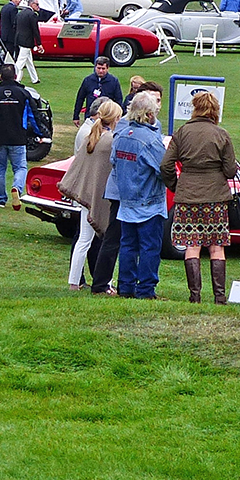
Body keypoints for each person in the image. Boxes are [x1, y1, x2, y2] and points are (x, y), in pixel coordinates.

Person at [161, 91, 237, 303]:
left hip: (188, 197)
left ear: (195, 108)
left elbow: (165, 165)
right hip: (216, 197)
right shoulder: (221, 134)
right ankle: (219, 297)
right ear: (215, 110)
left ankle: (195, 296)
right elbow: (231, 170)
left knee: (192, 245)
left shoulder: (182, 132)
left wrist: (176, 185)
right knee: (216, 246)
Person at [110, 91, 167, 299]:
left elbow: (114, 163)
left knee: (128, 246)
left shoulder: (121, 135)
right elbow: (164, 169)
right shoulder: (150, 139)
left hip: (126, 200)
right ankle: (145, 290)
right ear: (149, 114)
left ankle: (125, 287)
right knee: (149, 247)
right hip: (148, 202)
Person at [61, 98, 121, 290]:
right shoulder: (110, 141)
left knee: (83, 240)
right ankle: (106, 281)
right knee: (104, 240)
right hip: (99, 196)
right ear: (115, 118)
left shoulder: (91, 136)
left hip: (85, 196)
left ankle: (74, 281)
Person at [0, 64, 42, 210]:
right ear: (16, 76)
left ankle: (1, 200)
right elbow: (33, 116)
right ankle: (17, 187)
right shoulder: (24, 94)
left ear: (1, 77)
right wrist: (39, 133)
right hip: (18, 137)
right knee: (20, 167)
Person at [74, 57, 121, 123]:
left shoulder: (114, 81)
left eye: (103, 68)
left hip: (107, 117)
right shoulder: (88, 80)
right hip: (90, 116)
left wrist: (117, 116)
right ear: (95, 67)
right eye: (98, 68)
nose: (100, 71)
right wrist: (76, 116)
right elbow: (80, 98)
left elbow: (118, 100)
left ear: (107, 68)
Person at [14, 0, 42, 83]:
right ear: (32, 4)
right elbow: (35, 30)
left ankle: (35, 78)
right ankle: (15, 79)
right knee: (21, 61)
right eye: (37, 4)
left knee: (29, 61)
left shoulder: (20, 13)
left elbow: (15, 26)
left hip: (19, 39)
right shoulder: (32, 15)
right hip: (26, 41)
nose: (38, 7)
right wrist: (39, 43)